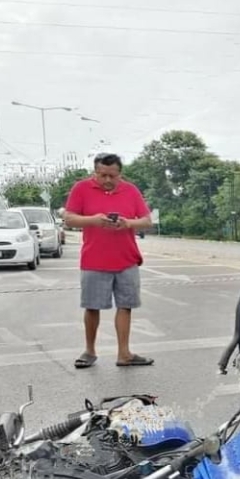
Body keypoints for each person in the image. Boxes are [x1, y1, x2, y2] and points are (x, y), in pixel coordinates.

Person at [63, 153, 154, 369]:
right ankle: (89, 351)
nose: (107, 180)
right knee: (92, 307)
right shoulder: (81, 189)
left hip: (126, 259)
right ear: (95, 172)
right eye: (102, 175)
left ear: (120, 173)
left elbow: (146, 221)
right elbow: (69, 218)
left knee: (126, 306)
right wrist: (93, 220)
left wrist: (128, 223)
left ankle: (124, 354)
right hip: (94, 260)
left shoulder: (130, 190)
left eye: (112, 176)